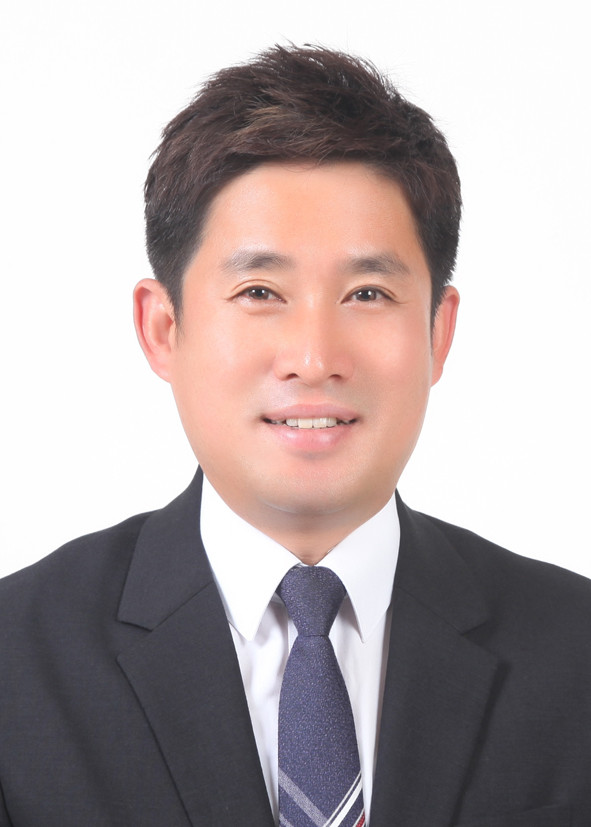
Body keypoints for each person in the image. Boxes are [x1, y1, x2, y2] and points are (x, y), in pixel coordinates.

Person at [0, 44, 589, 827]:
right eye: (259, 291)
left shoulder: (574, 653)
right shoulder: (17, 661)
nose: (314, 358)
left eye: (367, 293)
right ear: (163, 327)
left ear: (437, 332)